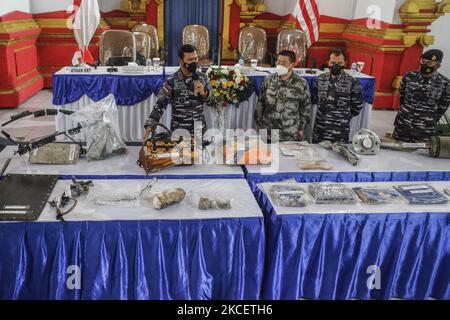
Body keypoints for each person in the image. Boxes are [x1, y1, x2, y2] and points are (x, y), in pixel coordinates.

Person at [144, 44, 212, 136]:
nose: (194, 62)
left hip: (199, 131)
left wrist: (205, 94)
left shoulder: (202, 77)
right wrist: (150, 126)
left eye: (195, 59)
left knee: (201, 151)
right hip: (179, 132)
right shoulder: (170, 81)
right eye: (190, 60)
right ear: (181, 61)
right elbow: (159, 105)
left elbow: (213, 102)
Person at [393, 49, 450, 142]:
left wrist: (427, 118)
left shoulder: (445, 83)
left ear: (438, 65)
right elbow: (402, 98)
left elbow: (442, 107)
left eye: (430, 63)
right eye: (423, 61)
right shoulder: (409, 77)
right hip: (403, 126)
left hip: (425, 130)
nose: (425, 65)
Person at [254, 50, 311, 142]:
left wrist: (301, 129)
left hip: (290, 133)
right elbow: (260, 104)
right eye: (278, 61)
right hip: (268, 131)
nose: (279, 65)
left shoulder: (301, 83)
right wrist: (259, 125)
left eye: (283, 63)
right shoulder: (268, 80)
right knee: (267, 155)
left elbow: (305, 109)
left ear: (292, 65)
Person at [312, 49, 364, 143]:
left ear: (345, 63)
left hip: (340, 130)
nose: (336, 66)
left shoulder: (352, 82)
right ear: (328, 62)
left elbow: (357, 106)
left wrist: (343, 116)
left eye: (340, 63)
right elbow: (315, 98)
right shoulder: (319, 79)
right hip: (321, 128)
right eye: (333, 62)